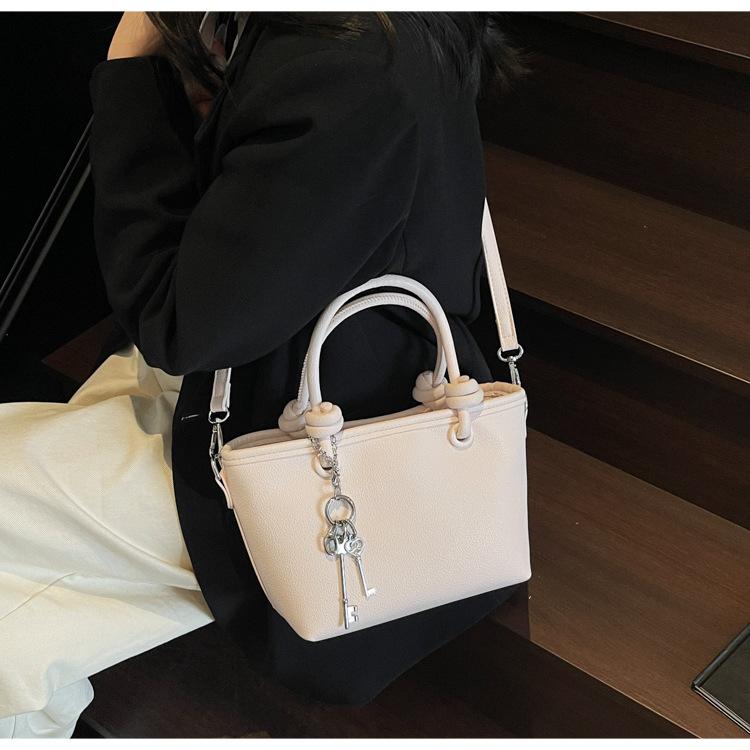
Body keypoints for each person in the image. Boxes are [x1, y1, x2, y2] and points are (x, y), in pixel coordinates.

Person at [0, 11, 528, 738]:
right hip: (302, 377)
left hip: (298, 440)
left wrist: (131, 68)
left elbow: (177, 324)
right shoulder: (376, 32)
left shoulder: (346, 68)